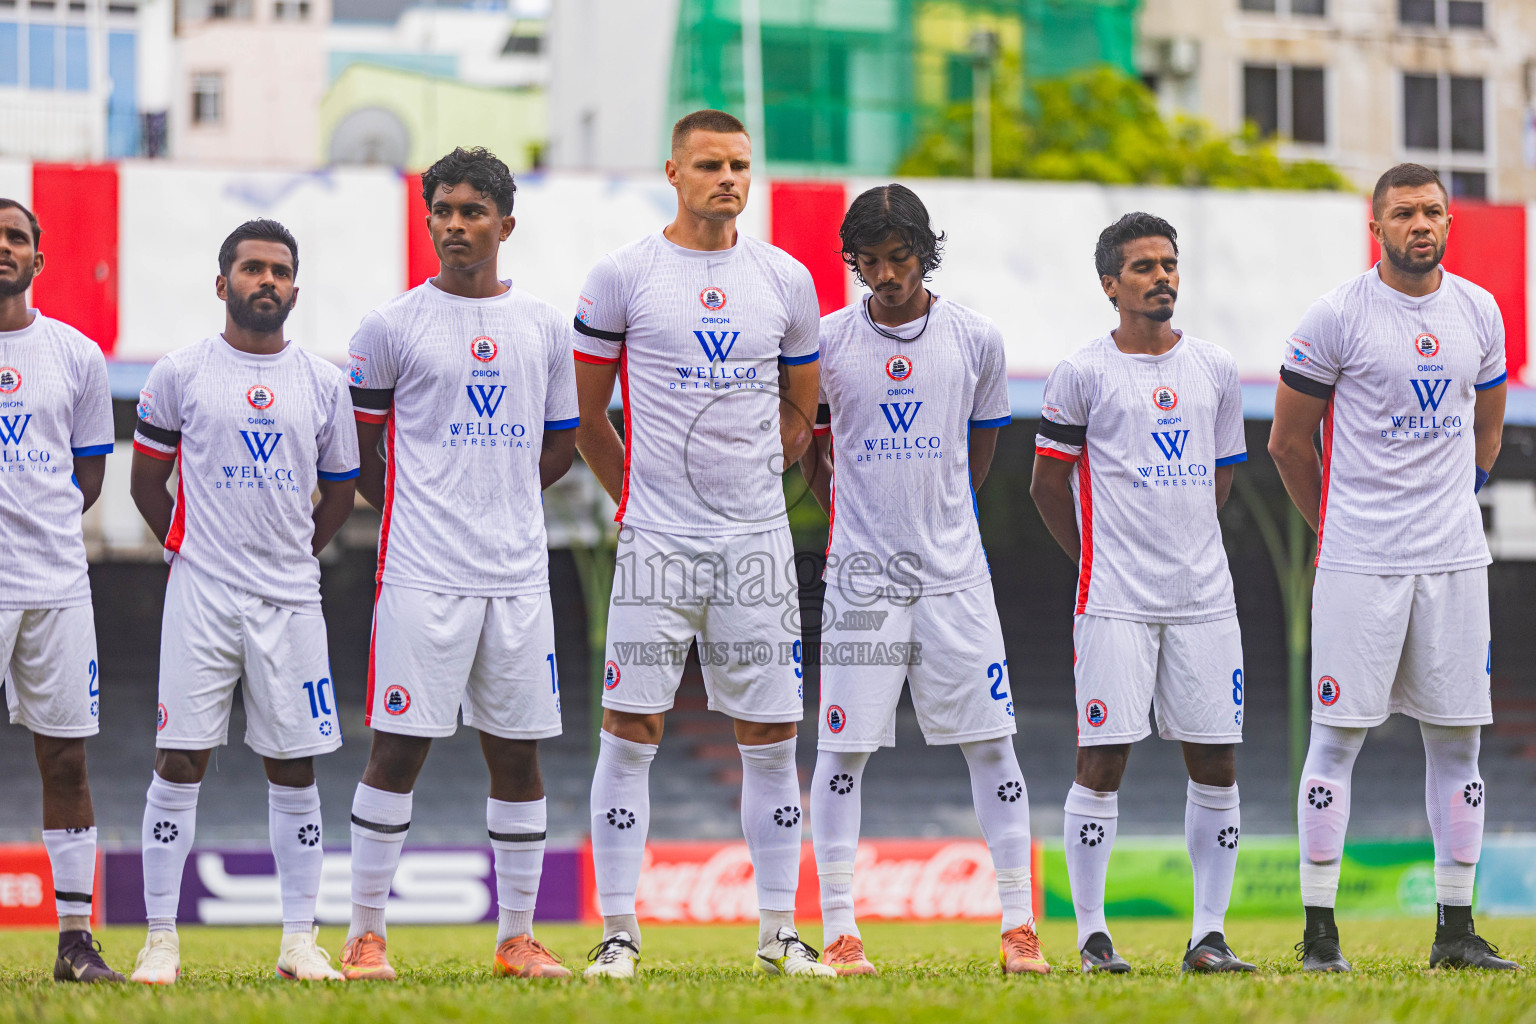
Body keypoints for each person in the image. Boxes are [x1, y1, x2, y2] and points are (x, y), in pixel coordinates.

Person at [572, 109, 830, 978]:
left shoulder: (788, 280)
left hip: (754, 543)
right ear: (673, 171)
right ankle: (617, 932)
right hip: (656, 543)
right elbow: (586, 418)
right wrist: (643, 498)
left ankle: (777, 934)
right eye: (712, 164)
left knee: (771, 734)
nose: (729, 178)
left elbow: (803, 409)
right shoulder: (624, 277)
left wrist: (757, 480)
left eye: (742, 165)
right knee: (629, 727)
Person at [1269, 163, 1517, 972]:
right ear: (1375, 226)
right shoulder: (1336, 315)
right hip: (1359, 562)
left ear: (1449, 222)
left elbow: (1487, 433)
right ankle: (1319, 933)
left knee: (1458, 743)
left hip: (1453, 562)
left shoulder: (1479, 311)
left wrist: (1452, 505)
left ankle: (1455, 931)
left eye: (1434, 212)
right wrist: (1338, 526)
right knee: (1337, 740)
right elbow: (1286, 443)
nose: (1422, 224)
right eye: (1405, 212)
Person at [341, 147, 578, 981]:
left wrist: (500, 495)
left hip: (516, 575)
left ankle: (517, 937)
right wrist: (421, 505)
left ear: (505, 224)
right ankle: (364, 934)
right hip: (422, 573)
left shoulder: (546, 328)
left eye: (472, 211)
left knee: (517, 756)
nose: (454, 225)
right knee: (397, 748)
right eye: (441, 209)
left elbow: (560, 446)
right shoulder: (390, 326)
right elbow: (359, 453)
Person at [801, 184, 1045, 976]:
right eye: (868, 263)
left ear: (924, 253)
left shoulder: (975, 338)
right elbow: (810, 444)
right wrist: (848, 508)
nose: (885, 277)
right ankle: (841, 931)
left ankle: (1018, 928)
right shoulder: (829, 342)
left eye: (899, 259)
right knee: (842, 751)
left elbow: (983, 445)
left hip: (954, 578)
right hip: (862, 581)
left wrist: (947, 513)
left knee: (991, 743)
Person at [128, 218, 359, 984]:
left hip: (290, 598)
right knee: (179, 757)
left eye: (281, 270)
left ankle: (300, 942)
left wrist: (294, 552)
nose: (268, 281)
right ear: (222, 281)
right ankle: (159, 941)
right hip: (201, 595)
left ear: (296, 287)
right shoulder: (180, 372)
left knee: (293, 766)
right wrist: (193, 552)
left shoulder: (324, 383)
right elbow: (145, 484)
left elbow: (340, 493)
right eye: (253, 268)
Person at [1031, 212, 1254, 974]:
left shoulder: (1217, 368)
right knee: (1102, 760)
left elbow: (1222, 476)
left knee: (1217, 764)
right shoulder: (1083, 372)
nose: (1162, 276)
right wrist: (1099, 557)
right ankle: (1093, 935)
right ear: (1110, 285)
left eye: (1170, 263)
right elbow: (1045, 482)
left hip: (1204, 599)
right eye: (1145, 266)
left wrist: (1181, 540)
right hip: (1114, 601)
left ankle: (1209, 936)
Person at [0, 198, 121, 983]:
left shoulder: (76, 355)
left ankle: (75, 942)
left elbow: (89, 475)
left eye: (15, 236)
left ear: (38, 260)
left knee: (66, 762)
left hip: (53, 585)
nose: (2, 246)